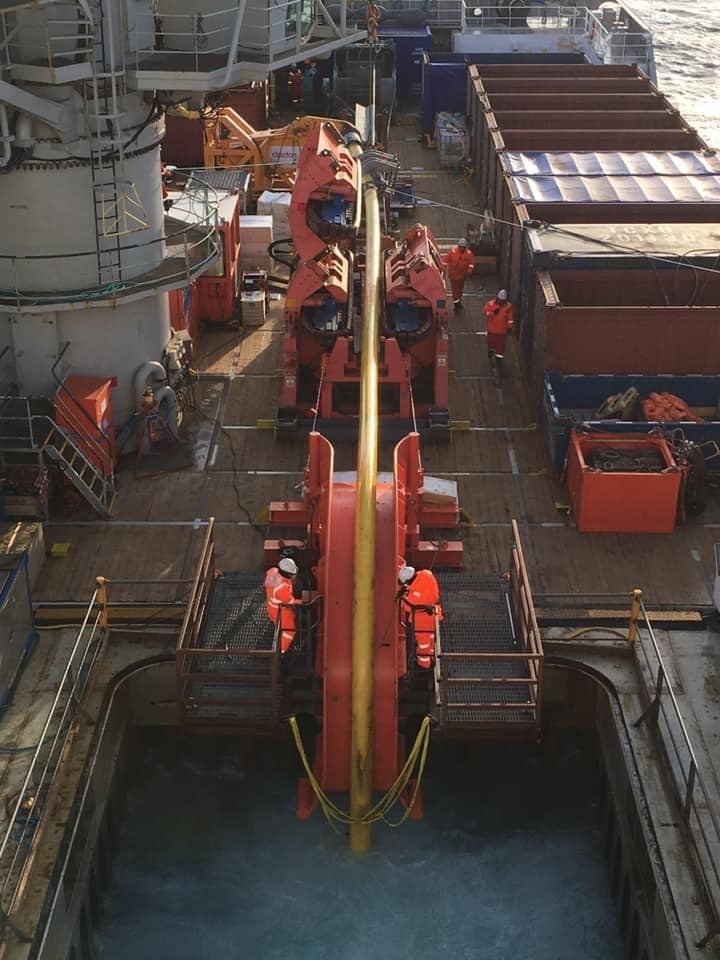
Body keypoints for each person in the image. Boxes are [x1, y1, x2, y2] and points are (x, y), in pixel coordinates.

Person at [398, 565, 443, 670]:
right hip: (434, 614)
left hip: (423, 621)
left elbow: (409, 607)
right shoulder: (425, 574)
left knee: (424, 645)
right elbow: (420, 590)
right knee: (432, 641)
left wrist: (404, 597)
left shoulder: (417, 595)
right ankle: (432, 660)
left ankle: (424, 667)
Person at [264, 557, 301, 654]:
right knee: (289, 631)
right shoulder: (282, 588)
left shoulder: (273, 571)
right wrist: (303, 601)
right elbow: (290, 602)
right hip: (281, 612)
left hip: (271, 608)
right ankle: (281, 652)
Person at [483, 289, 514, 374]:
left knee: (500, 347)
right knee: (491, 342)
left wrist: (509, 327)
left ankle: (498, 359)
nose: (501, 301)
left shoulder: (508, 307)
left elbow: (510, 318)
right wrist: (493, 313)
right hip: (492, 330)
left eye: (502, 300)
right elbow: (486, 312)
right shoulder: (491, 304)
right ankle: (491, 350)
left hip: (501, 331)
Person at [443, 238, 475, 311]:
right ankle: (456, 305)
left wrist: (469, 270)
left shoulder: (469, 254)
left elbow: (471, 263)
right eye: (460, 247)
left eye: (463, 247)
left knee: (460, 290)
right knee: (455, 291)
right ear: (458, 246)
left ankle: (458, 302)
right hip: (453, 276)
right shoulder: (453, 252)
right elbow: (445, 260)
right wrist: (443, 268)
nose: (462, 248)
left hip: (463, 276)